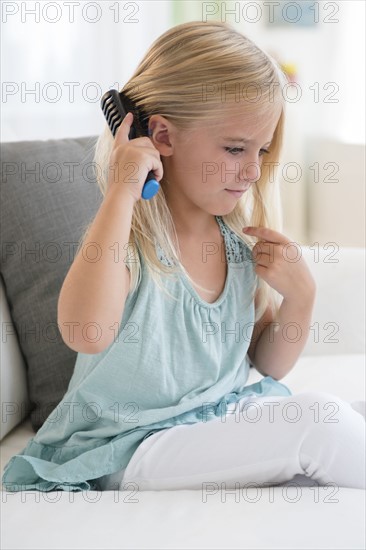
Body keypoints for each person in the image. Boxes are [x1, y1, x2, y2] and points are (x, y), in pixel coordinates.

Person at [2, 21, 365, 493]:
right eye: (235, 148)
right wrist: (121, 191)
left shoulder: (236, 247)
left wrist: (302, 296)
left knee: (326, 452)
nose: (253, 169)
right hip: (133, 445)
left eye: (262, 150)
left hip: (213, 426)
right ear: (162, 138)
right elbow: (86, 333)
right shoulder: (127, 246)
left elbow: (268, 364)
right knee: (321, 422)